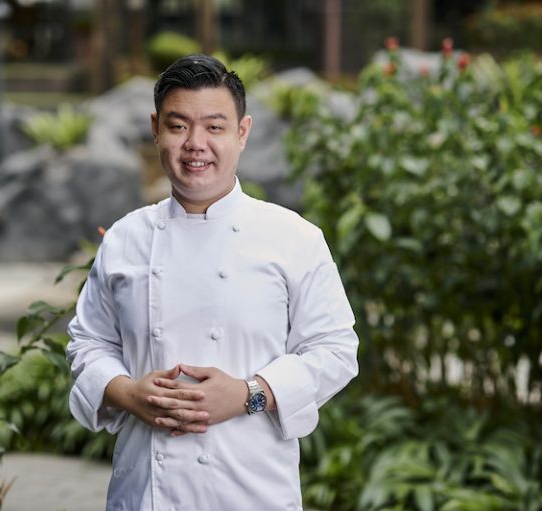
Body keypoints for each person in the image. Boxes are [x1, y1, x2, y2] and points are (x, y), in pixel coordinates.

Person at [66, 54, 359, 510]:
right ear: (155, 130)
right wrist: (128, 393)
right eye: (178, 126)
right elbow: (88, 342)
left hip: (253, 492)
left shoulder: (293, 237)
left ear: (242, 133)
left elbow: (336, 350)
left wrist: (248, 394)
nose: (195, 144)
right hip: (145, 493)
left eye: (214, 127)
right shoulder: (126, 238)